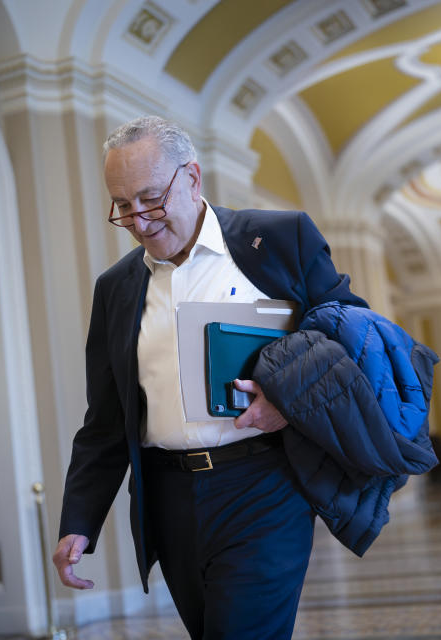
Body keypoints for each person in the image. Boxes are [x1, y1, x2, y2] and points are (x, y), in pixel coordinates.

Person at [53, 115, 367, 639]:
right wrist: (79, 523)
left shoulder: (280, 238)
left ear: (192, 178)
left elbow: (352, 336)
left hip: (265, 485)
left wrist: (289, 402)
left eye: (150, 198)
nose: (139, 220)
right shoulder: (116, 288)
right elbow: (106, 421)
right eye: (123, 205)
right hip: (168, 497)